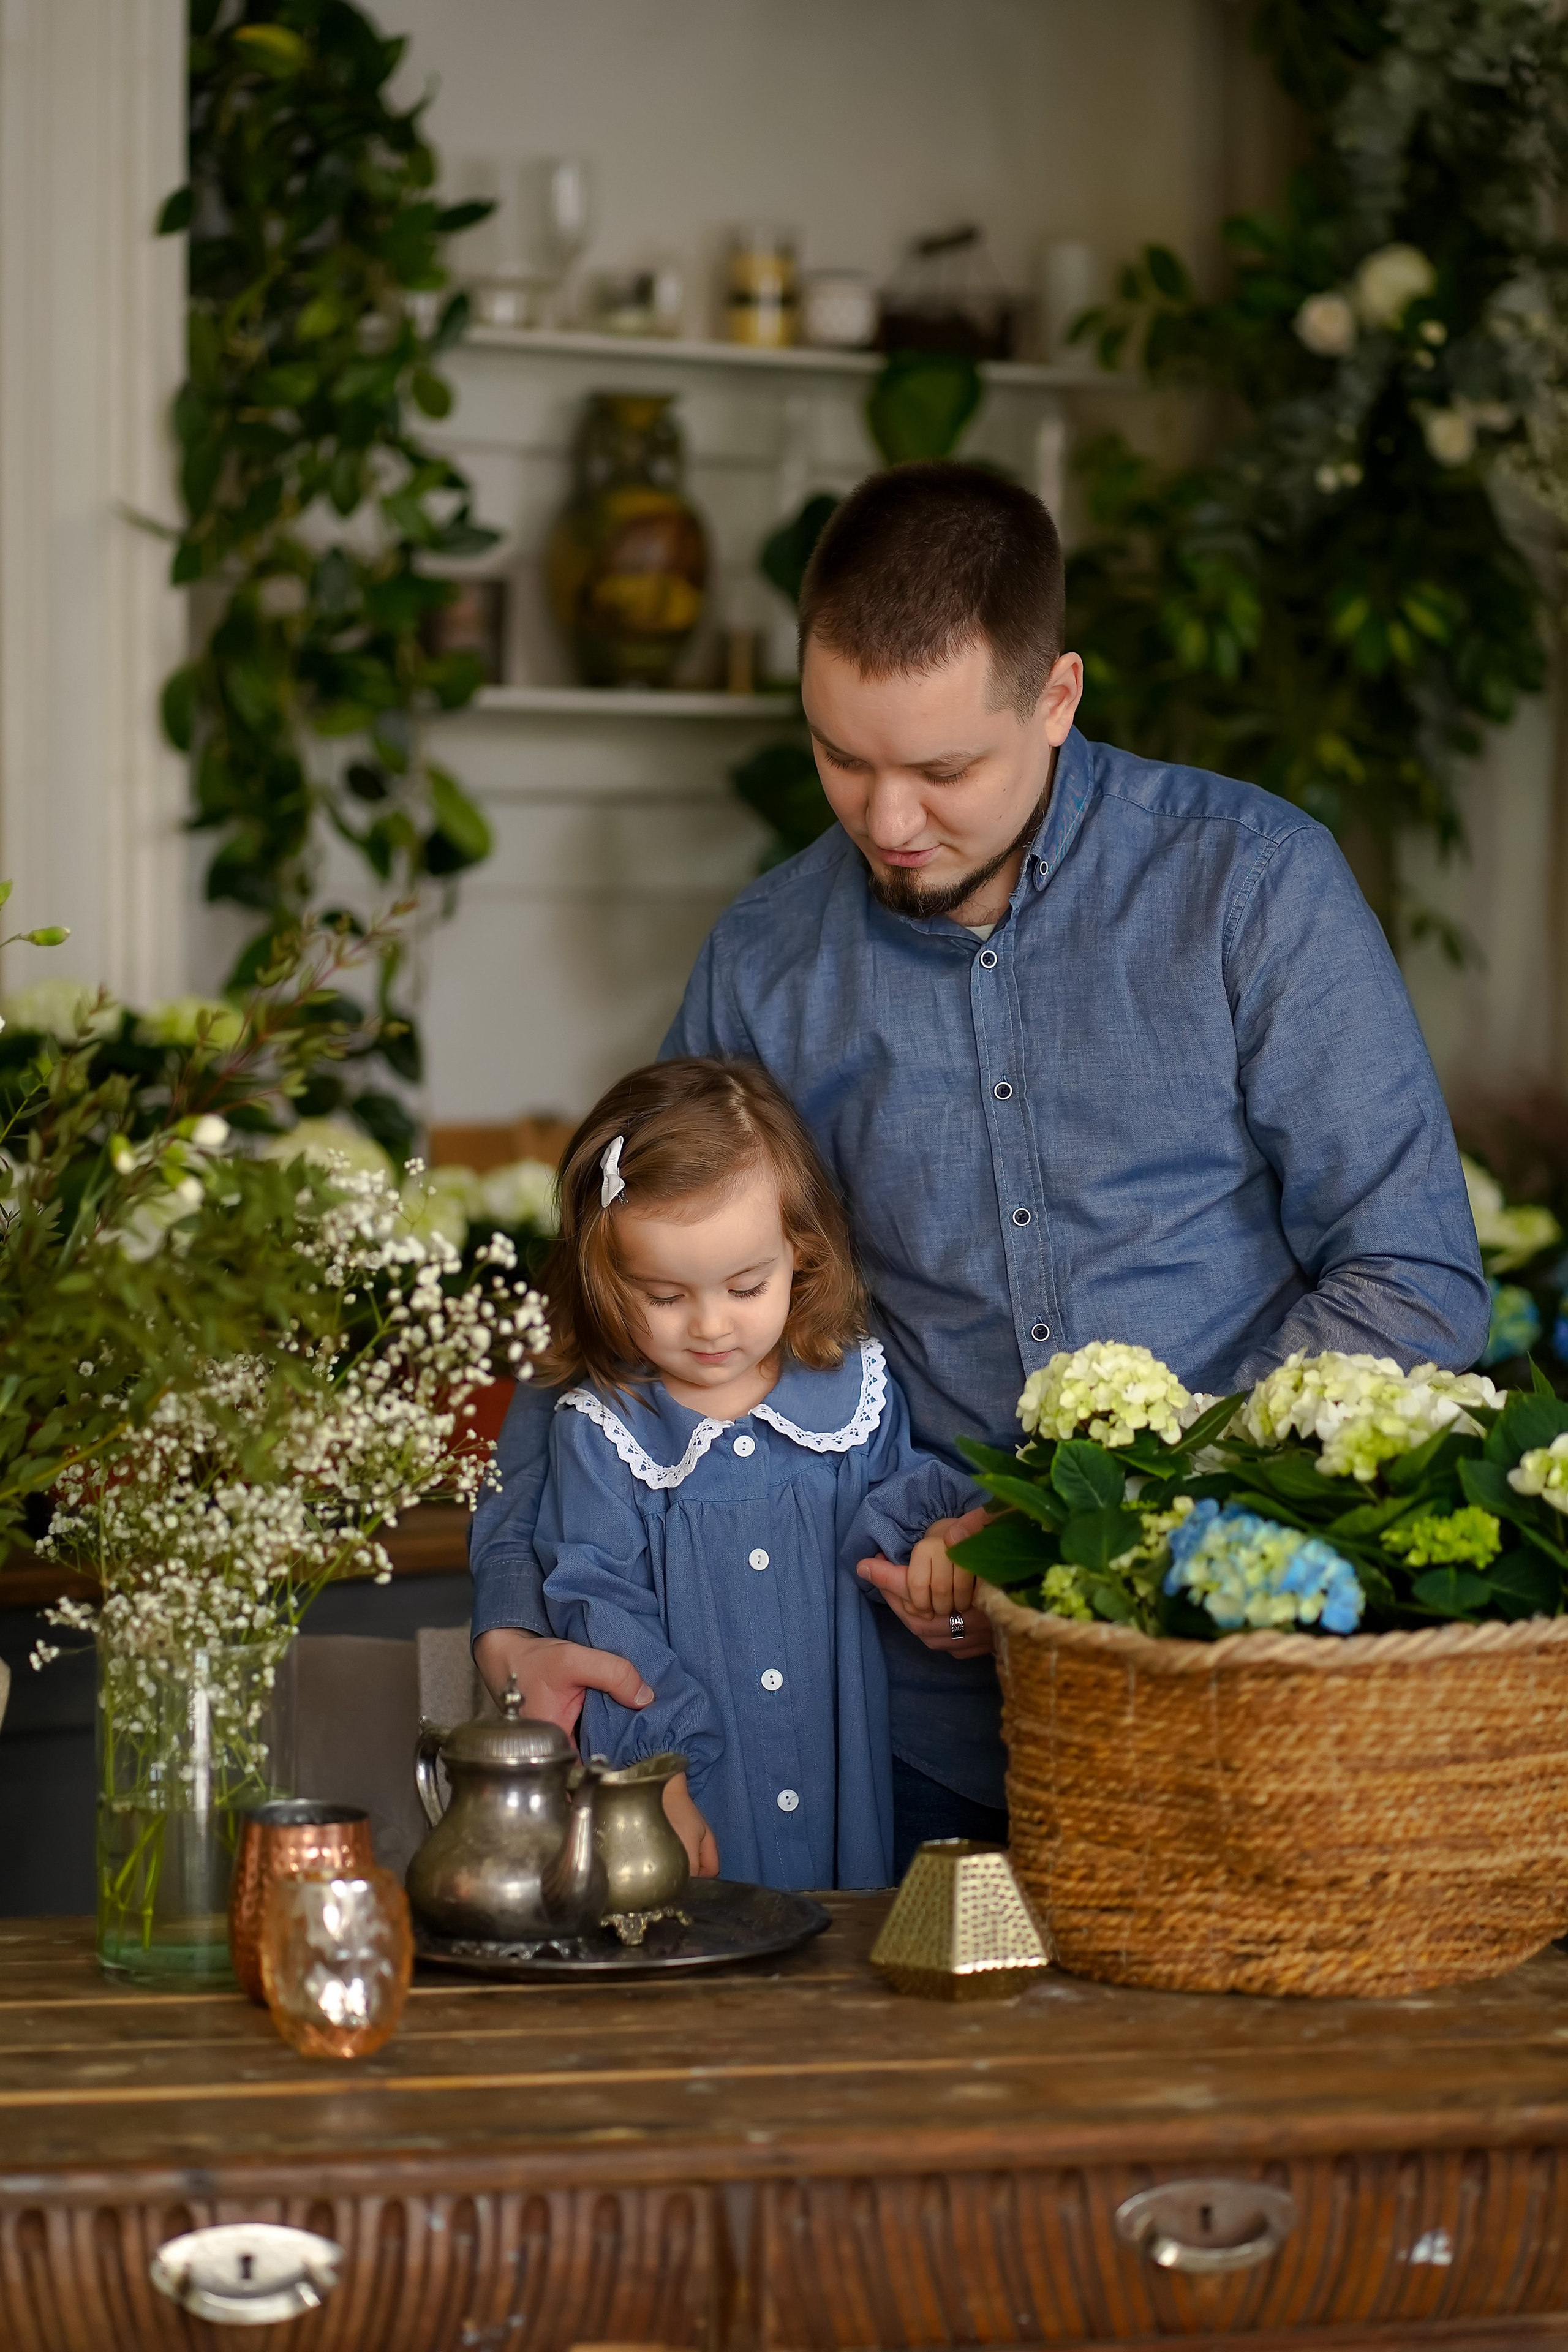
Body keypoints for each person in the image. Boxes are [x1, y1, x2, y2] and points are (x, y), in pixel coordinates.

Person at [471, 461, 1488, 1871]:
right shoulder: (766, 961)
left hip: (1224, 1687)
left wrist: (1058, 1522)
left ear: (1056, 698)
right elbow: (611, 1299)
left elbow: (1413, 1285)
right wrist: (515, 1614)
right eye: (841, 757)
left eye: (944, 770)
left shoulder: (1251, 887)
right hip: (886, 1734)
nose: (887, 823)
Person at [530, 1055, 980, 1891]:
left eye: (746, 1286)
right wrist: (656, 1775)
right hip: (692, 1800)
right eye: (663, 1296)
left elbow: (902, 1512)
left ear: (800, 1257)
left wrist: (942, 1551)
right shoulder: (604, 1432)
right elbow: (604, 1613)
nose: (709, 1327)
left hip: (839, 1786)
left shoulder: (856, 1396)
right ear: (606, 1280)